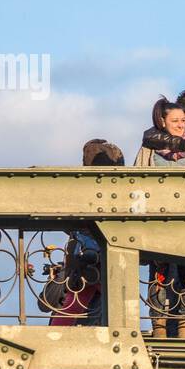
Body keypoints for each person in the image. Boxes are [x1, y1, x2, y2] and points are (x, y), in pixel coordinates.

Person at [134, 99, 185, 337]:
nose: (179, 126)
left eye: (181, 121)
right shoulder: (149, 148)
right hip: (158, 223)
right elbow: (136, 180)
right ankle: (159, 326)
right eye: (174, 121)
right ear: (162, 122)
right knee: (159, 275)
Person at [46, 140, 124, 326]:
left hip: (85, 261)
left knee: (74, 303)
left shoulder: (82, 189)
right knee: (108, 308)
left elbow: (66, 220)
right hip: (109, 261)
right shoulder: (119, 192)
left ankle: (59, 334)